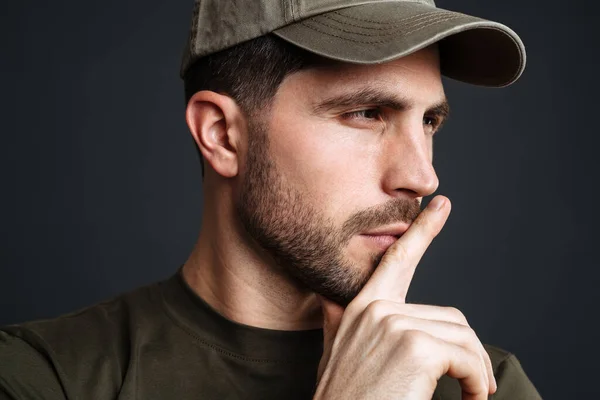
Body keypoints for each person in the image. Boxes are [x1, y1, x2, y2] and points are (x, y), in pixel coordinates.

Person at [0, 0, 542, 399]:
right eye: (366, 113)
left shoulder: (479, 382)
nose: (423, 176)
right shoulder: (41, 376)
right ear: (222, 135)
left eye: (429, 121)